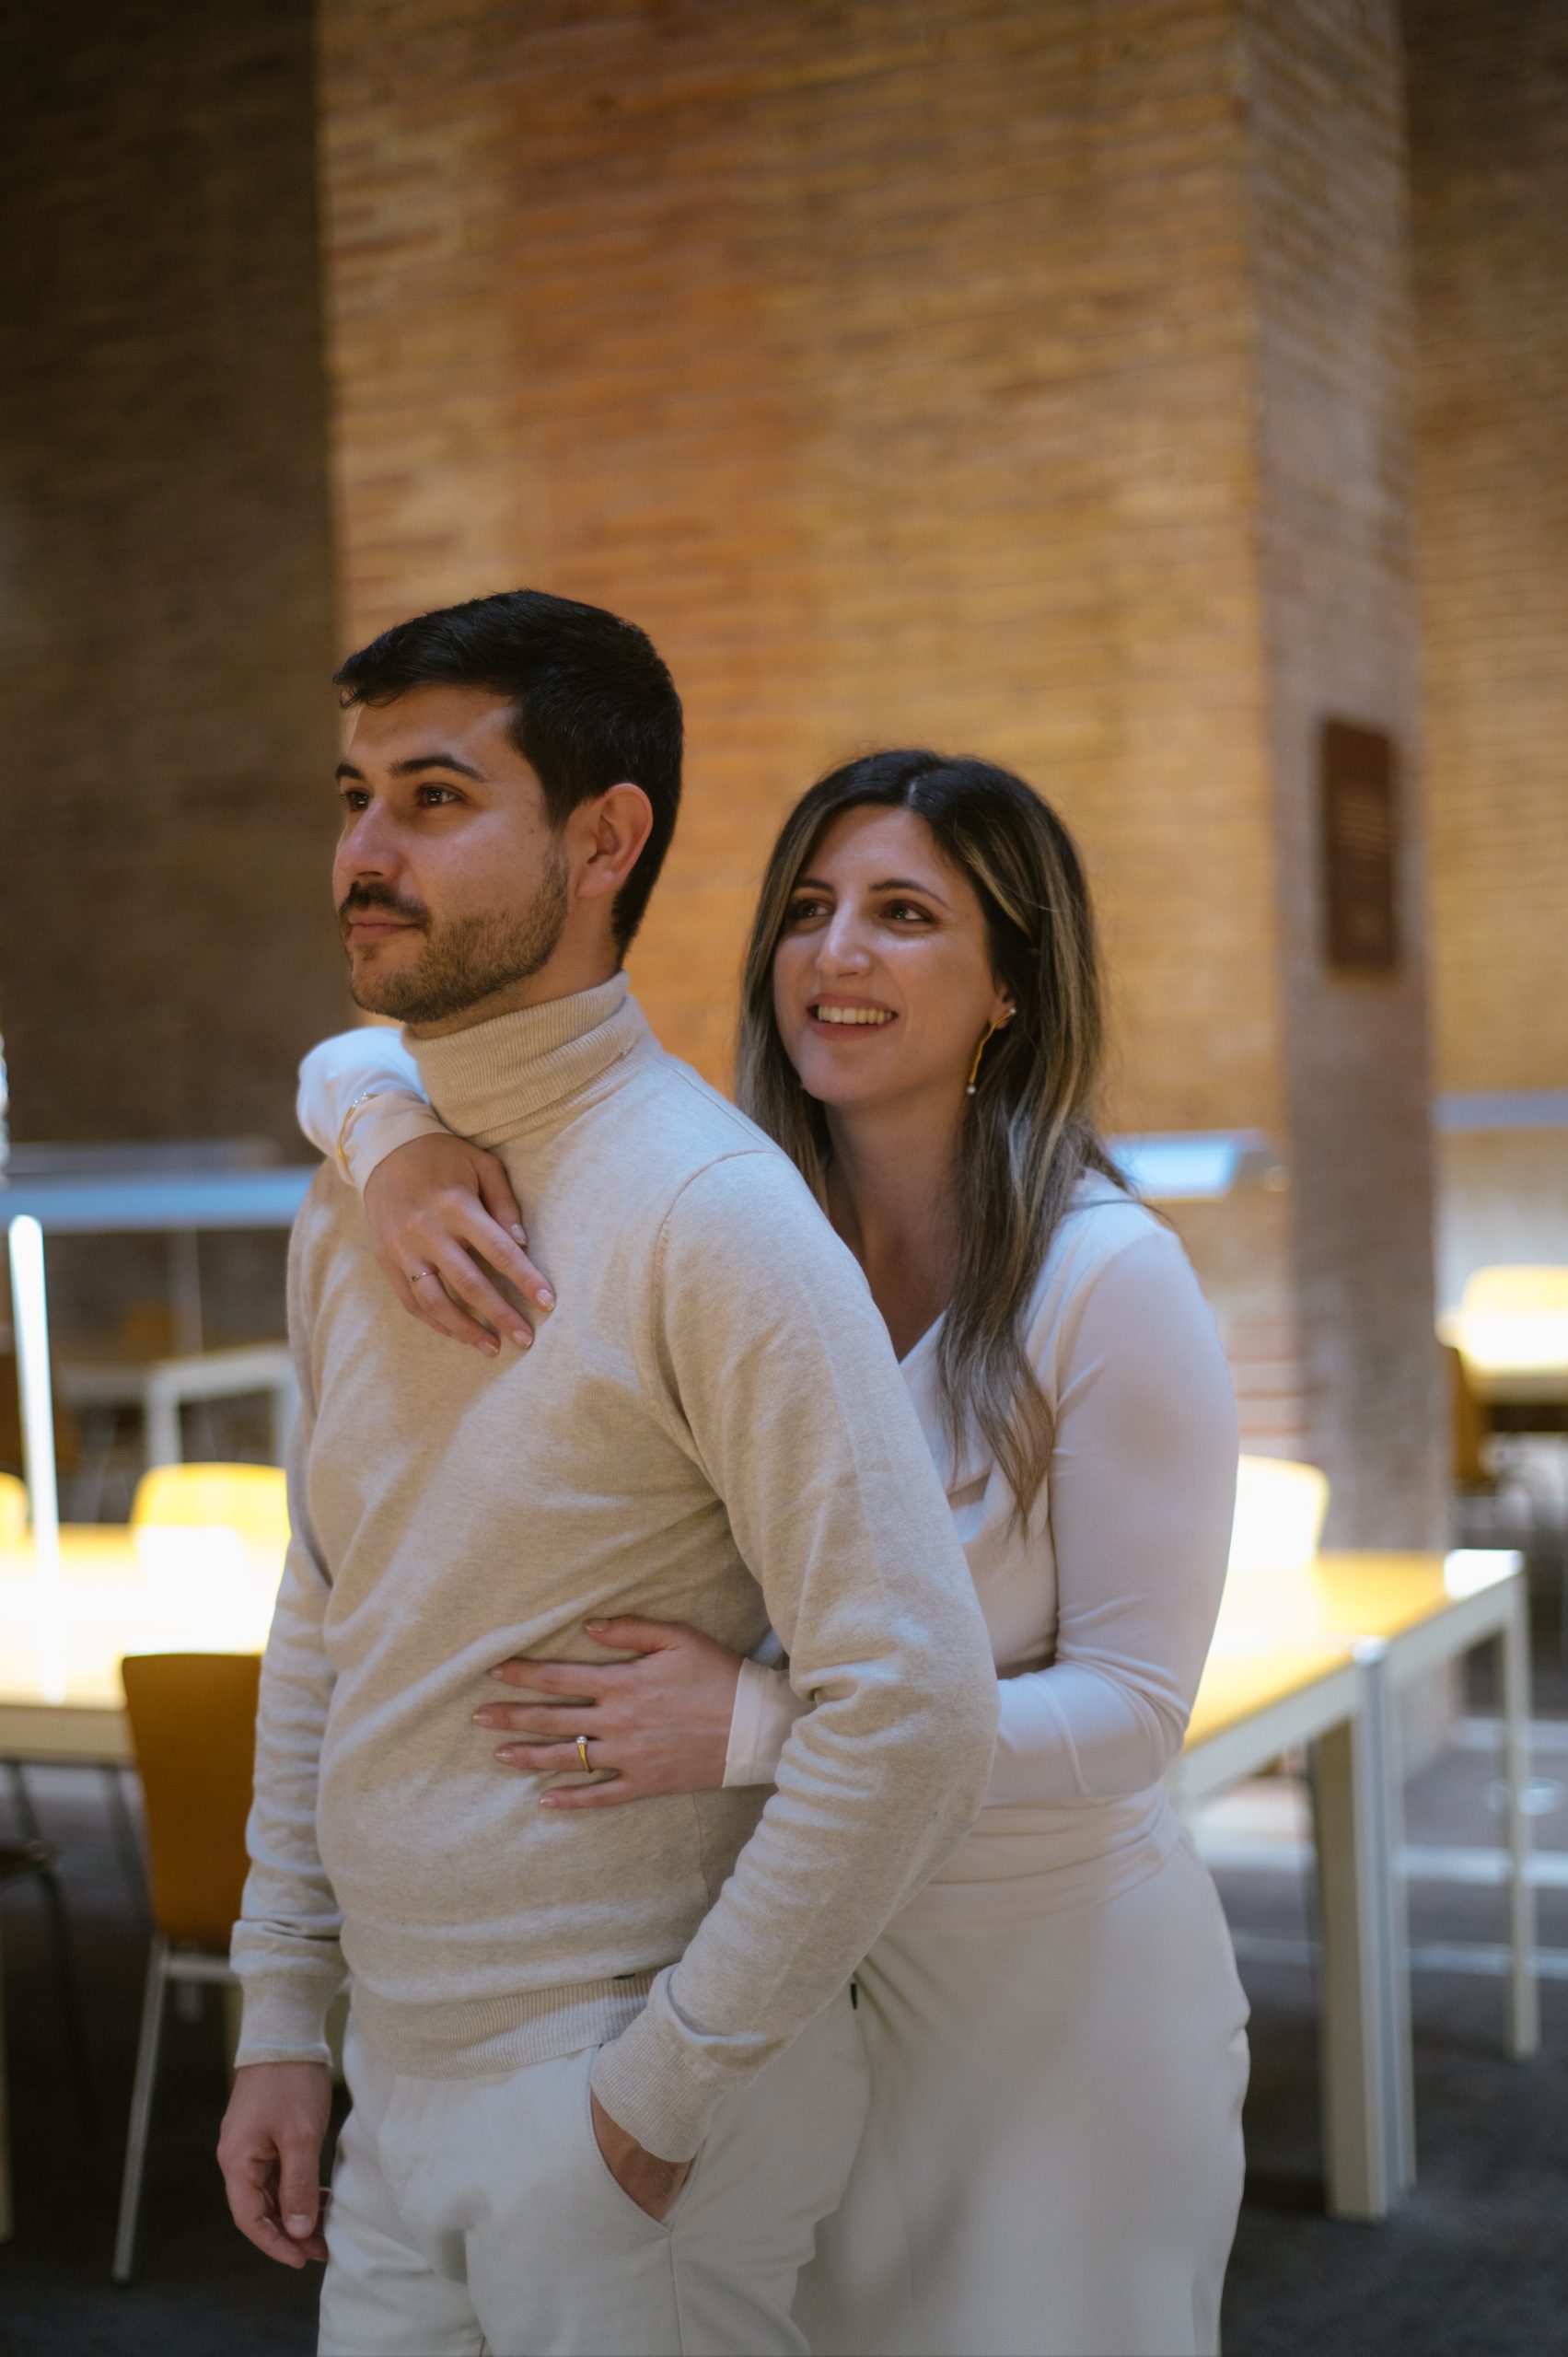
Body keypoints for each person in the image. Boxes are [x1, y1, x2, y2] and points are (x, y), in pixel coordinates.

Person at [297, 746, 1252, 2357]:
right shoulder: (744, 1226)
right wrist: (390, 1136)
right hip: (796, 1982)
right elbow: (348, 1054)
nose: (836, 953)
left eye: (904, 915)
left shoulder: (1109, 1280)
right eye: (808, 909)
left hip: (1050, 2004)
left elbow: (1136, 1718)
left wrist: (754, 1724)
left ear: (1011, 984)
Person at [219, 593, 1001, 2357]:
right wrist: (281, 2006)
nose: (364, 853)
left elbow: (918, 1701)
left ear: (603, 840)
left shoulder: (709, 1213)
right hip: (398, 2076)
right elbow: (326, 1607)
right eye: (353, 798)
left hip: (616, 2089)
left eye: (435, 798)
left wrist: (661, 2094)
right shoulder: (362, 1196)